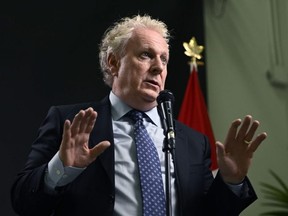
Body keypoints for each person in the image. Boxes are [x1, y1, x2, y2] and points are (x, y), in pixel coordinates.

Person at [11, 14, 267, 216]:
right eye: (146, 55)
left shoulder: (192, 141)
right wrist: (62, 169)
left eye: (164, 59)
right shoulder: (69, 122)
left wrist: (231, 181)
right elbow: (24, 202)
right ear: (113, 63)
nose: (158, 67)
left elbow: (211, 212)